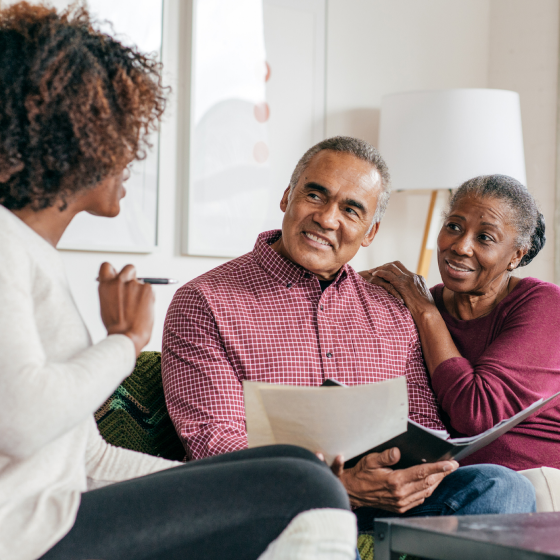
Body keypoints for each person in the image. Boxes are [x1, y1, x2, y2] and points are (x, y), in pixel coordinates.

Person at [0, 4, 358, 560]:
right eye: (121, 134)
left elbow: (87, 459)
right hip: (25, 534)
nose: (131, 158)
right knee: (306, 489)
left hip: (57, 516)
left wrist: (217, 492)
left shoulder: (32, 252)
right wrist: (126, 341)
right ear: (78, 138)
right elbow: (22, 424)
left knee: (299, 469)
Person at [162, 136, 536, 531]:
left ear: (370, 232)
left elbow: (423, 422)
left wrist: (413, 475)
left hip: (389, 498)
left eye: (351, 209)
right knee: (320, 529)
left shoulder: (392, 307)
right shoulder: (204, 301)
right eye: (315, 195)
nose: (326, 219)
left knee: (502, 487)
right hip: (275, 501)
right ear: (287, 197)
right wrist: (338, 486)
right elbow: (213, 443)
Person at [362, 174, 560, 472]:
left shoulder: (544, 305)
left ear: (516, 256)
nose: (460, 246)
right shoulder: (424, 304)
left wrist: (426, 312)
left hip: (527, 483)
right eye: (453, 227)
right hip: (443, 481)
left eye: (484, 238)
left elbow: (475, 412)